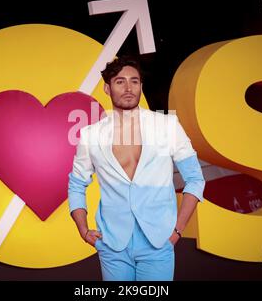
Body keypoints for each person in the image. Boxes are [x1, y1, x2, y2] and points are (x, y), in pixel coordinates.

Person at [68, 56, 205, 281]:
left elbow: (195, 179)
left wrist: (178, 230)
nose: (128, 87)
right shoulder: (90, 135)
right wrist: (83, 230)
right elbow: (77, 184)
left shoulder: (167, 126)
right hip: (112, 244)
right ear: (106, 88)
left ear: (141, 85)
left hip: (158, 242)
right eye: (120, 81)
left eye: (134, 81)